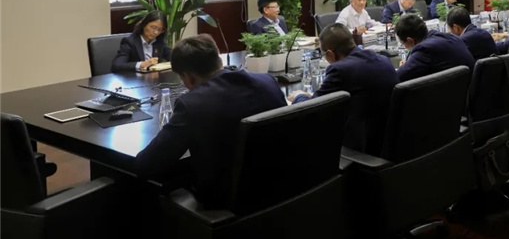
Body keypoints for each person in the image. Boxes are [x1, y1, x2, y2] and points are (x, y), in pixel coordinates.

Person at [134, 34, 286, 208]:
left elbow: (146, 165)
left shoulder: (192, 104)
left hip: (227, 202)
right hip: (279, 189)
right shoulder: (267, 82)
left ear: (188, 77)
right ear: (217, 60)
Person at [289, 24, 398, 154]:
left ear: (330, 54)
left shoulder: (340, 70)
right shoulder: (383, 59)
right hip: (389, 142)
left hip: (358, 150)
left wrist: (298, 96)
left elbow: (312, 111)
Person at [395, 13, 474, 82]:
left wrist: (403, 66)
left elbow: (399, 77)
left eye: (403, 43)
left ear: (410, 40)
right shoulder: (449, 37)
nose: (404, 46)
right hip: (468, 87)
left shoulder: (424, 49)